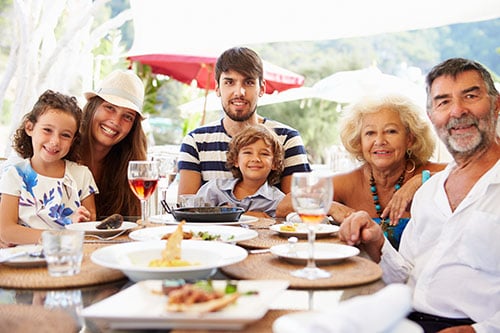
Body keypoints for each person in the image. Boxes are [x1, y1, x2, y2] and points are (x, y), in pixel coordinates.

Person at [339, 58, 500, 332]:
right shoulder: (430, 191)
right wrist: (377, 242)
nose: (457, 111)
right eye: (443, 102)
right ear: (432, 117)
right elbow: (405, 275)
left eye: (470, 96)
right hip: (406, 319)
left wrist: (479, 330)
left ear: (496, 105)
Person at [277, 93, 446, 249]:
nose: (379, 141)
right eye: (370, 133)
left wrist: (421, 181)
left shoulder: (432, 173)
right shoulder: (350, 181)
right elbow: (285, 204)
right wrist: (330, 206)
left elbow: (471, 177)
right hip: (364, 274)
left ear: (410, 139)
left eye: (391, 131)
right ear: (359, 142)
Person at [177, 46, 311, 196]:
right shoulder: (195, 141)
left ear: (262, 88)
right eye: (229, 82)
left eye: (248, 82)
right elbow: (186, 208)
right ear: (217, 88)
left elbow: (299, 208)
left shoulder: (287, 139)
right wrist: (251, 216)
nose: (239, 92)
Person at [0, 90, 97, 246]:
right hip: (22, 259)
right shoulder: (15, 174)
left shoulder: (81, 174)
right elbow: (6, 231)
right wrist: (63, 234)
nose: (55, 141)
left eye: (65, 135)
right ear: (30, 127)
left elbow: (90, 225)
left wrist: (82, 220)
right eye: (47, 130)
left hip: (67, 256)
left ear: (73, 140)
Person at [81, 69, 148, 218]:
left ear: (133, 127)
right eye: (110, 108)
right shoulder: (61, 152)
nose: (115, 121)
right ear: (93, 107)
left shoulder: (129, 167)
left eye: (127, 116)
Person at [195, 124, 285, 217]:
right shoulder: (214, 189)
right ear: (235, 160)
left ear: (274, 163)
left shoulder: (278, 201)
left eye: (264, 154)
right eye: (248, 152)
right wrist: (244, 217)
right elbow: (193, 217)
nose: (255, 159)